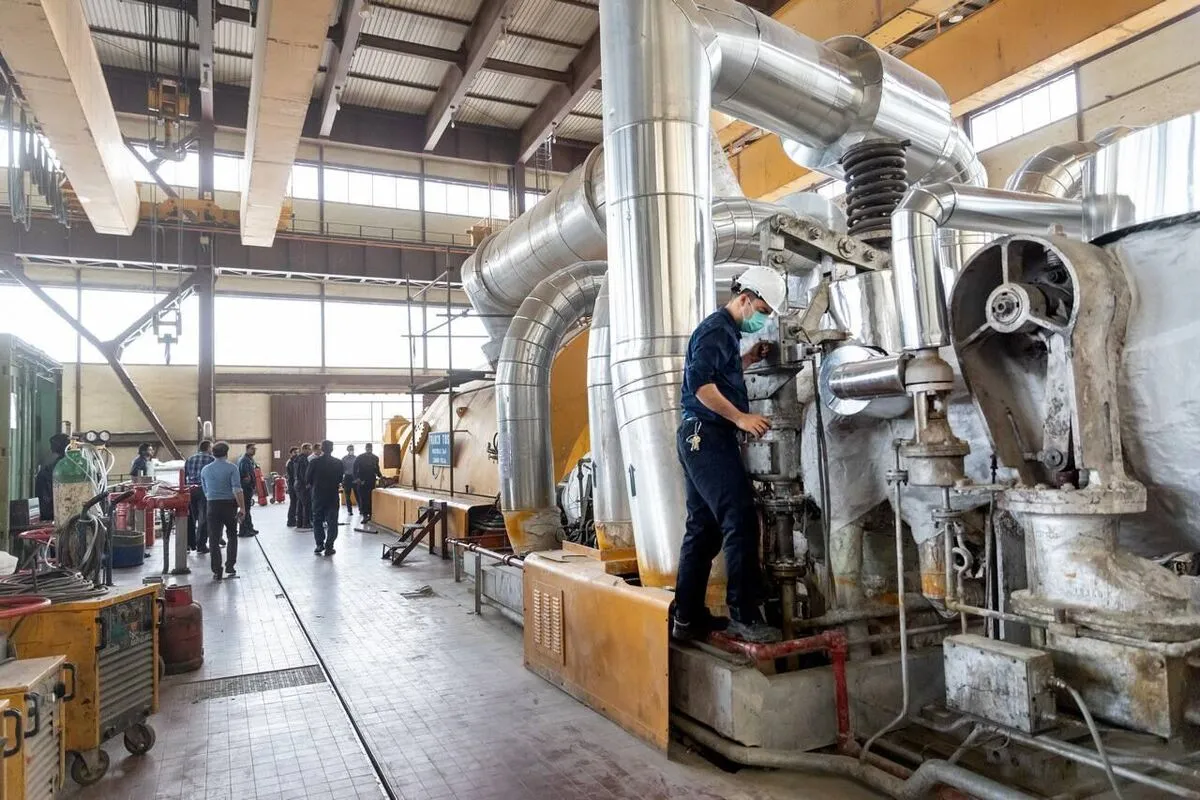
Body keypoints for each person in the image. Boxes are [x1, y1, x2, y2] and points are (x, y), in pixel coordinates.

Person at [672, 266, 787, 645]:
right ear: (745, 299)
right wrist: (741, 417)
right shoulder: (717, 330)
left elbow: (719, 374)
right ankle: (744, 615)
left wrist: (748, 359)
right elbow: (700, 385)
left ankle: (687, 618)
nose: (763, 319)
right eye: (763, 311)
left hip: (698, 437)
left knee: (704, 530)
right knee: (740, 517)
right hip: (708, 436)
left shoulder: (726, 334)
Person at [200, 441, 246, 581]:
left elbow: (205, 491)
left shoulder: (205, 470)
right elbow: (237, 489)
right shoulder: (232, 468)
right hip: (229, 505)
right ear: (226, 453)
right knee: (232, 534)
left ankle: (217, 571)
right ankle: (230, 566)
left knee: (213, 539)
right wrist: (242, 507)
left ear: (213, 454)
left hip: (212, 505)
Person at [308, 440, 343, 556]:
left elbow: (308, 478)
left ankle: (319, 544)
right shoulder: (338, 463)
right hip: (332, 496)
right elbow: (340, 479)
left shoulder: (314, 462)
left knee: (317, 520)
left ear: (322, 449)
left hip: (318, 496)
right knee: (332, 522)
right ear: (332, 449)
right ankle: (329, 546)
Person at [184, 440, 215, 552]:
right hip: (203, 489)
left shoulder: (190, 459)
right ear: (208, 448)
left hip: (190, 489)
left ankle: (189, 544)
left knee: (190, 518)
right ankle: (201, 545)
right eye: (211, 448)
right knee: (204, 517)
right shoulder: (211, 459)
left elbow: (185, 475)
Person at [33, 433, 70, 524]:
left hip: (52, 512)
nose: (50, 448)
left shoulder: (47, 472)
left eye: (52, 444)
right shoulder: (66, 464)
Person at [354, 443, 383, 523]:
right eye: (368, 448)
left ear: (372, 448)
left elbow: (377, 469)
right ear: (365, 448)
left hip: (371, 480)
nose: (369, 449)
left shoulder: (375, 458)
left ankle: (370, 515)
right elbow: (354, 469)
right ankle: (364, 515)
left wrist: (381, 477)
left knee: (370, 498)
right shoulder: (360, 457)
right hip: (361, 481)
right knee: (363, 498)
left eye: (370, 448)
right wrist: (357, 479)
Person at [236, 443, 259, 536]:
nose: (254, 450)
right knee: (245, 509)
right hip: (245, 488)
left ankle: (249, 528)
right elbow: (245, 474)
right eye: (252, 449)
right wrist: (248, 481)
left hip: (248, 487)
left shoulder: (249, 459)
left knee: (247, 509)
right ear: (247, 449)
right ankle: (243, 530)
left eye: (255, 449)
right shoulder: (244, 460)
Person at [295, 443, 313, 530]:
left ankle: (299, 523)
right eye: (309, 449)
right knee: (307, 504)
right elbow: (303, 473)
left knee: (300, 504)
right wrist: (307, 483)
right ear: (304, 449)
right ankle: (306, 523)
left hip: (298, 484)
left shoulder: (298, 458)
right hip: (303, 484)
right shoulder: (303, 459)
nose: (310, 451)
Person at [284, 446, 300, 527]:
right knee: (293, 503)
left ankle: (294, 519)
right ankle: (290, 521)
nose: (296, 454)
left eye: (297, 452)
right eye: (295, 452)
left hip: (294, 484)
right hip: (292, 485)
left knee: (296, 503)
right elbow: (294, 474)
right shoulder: (290, 462)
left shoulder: (295, 461)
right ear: (290, 454)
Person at [340, 445, 357, 522]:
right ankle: (349, 510)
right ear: (347, 450)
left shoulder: (356, 458)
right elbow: (341, 469)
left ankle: (361, 509)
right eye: (350, 449)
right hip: (347, 477)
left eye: (352, 449)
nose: (351, 450)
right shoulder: (344, 459)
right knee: (347, 495)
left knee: (357, 494)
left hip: (354, 477)